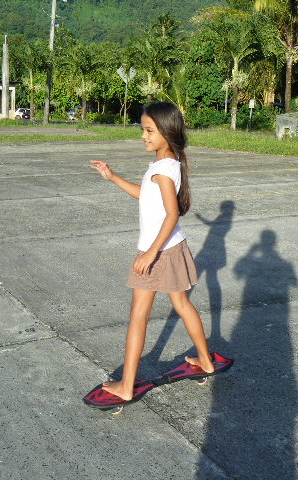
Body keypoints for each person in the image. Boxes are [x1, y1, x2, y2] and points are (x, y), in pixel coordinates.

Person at [89, 101, 215, 402]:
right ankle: (206, 361)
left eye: (149, 130)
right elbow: (146, 197)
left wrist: (149, 254)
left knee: (138, 317)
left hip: (159, 251)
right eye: (142, 129)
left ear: (166, 132)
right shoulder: (168, 164)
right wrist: (112, 176)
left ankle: (126, 386)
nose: (143, 136)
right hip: (173, 247)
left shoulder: (162, 171)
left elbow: (172, 215)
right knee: (182, 304)